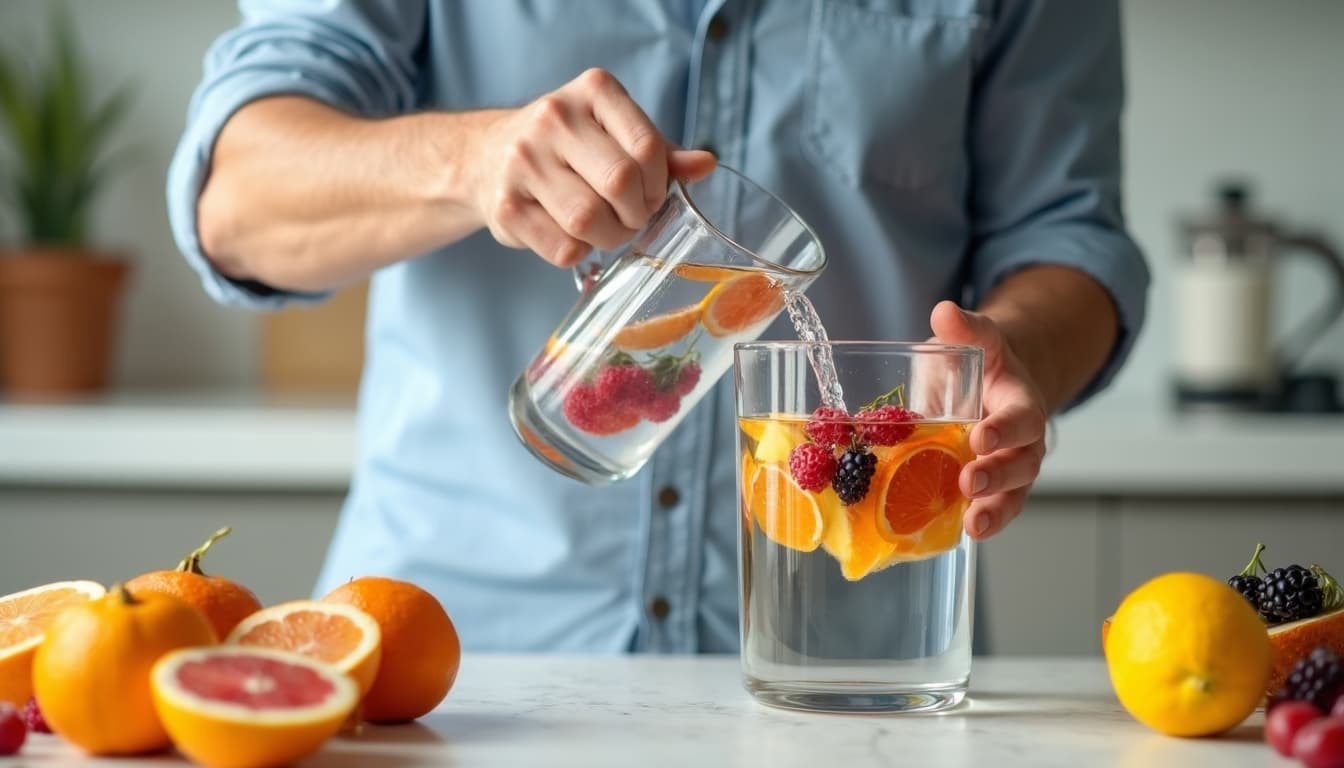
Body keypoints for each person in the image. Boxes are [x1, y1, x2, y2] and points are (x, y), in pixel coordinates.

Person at [167, 1, 1149, 654]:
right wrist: (467, 160)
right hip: (450, 664)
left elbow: (1070, 235)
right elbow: (236, 199)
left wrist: (1015, 349)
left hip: (851, 670)